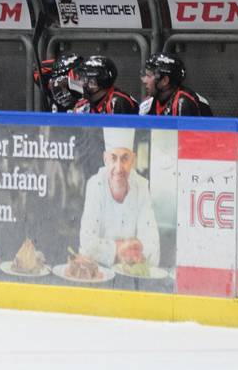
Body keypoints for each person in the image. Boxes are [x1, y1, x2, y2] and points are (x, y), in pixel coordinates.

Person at [79, 128, 160, 269]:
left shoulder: (141, 186)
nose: (118, 168)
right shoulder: (95, 184)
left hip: (132, 276)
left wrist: (114, 250)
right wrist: (122, 248)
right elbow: (87, 245)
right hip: (96, 274)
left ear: (133, 160)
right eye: (113, 158)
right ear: (105, 159)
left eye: (125, 158)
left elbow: (153, 251)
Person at [139, 52, 212, 116]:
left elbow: (185, 131)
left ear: (165, 80)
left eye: (149, 76)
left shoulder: (183, 102)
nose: (144, 80)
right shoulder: (148, 104)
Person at [72, 56, 137, 114]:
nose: (80, 83)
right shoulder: (82, 105)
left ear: (95, 82)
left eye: (84, 79)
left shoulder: (118, 103)